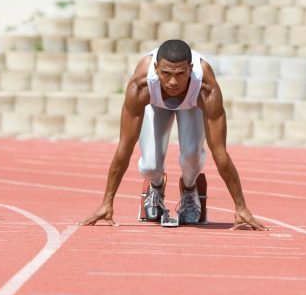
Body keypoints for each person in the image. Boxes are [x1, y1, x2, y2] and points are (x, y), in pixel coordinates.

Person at [81, 39, 267, 230]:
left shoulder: (206, 88)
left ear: (190, 68)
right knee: (150, 165)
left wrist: (241, 206)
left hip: (193, 103)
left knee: (192, 155)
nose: (172, 82)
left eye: (180, 74)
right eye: (166, 74)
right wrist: (107, 202)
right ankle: (155, 185)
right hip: (154, 102)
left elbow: (220, 153)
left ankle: (189, 189)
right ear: (155, 68)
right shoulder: (141, 86)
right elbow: (124, 148)